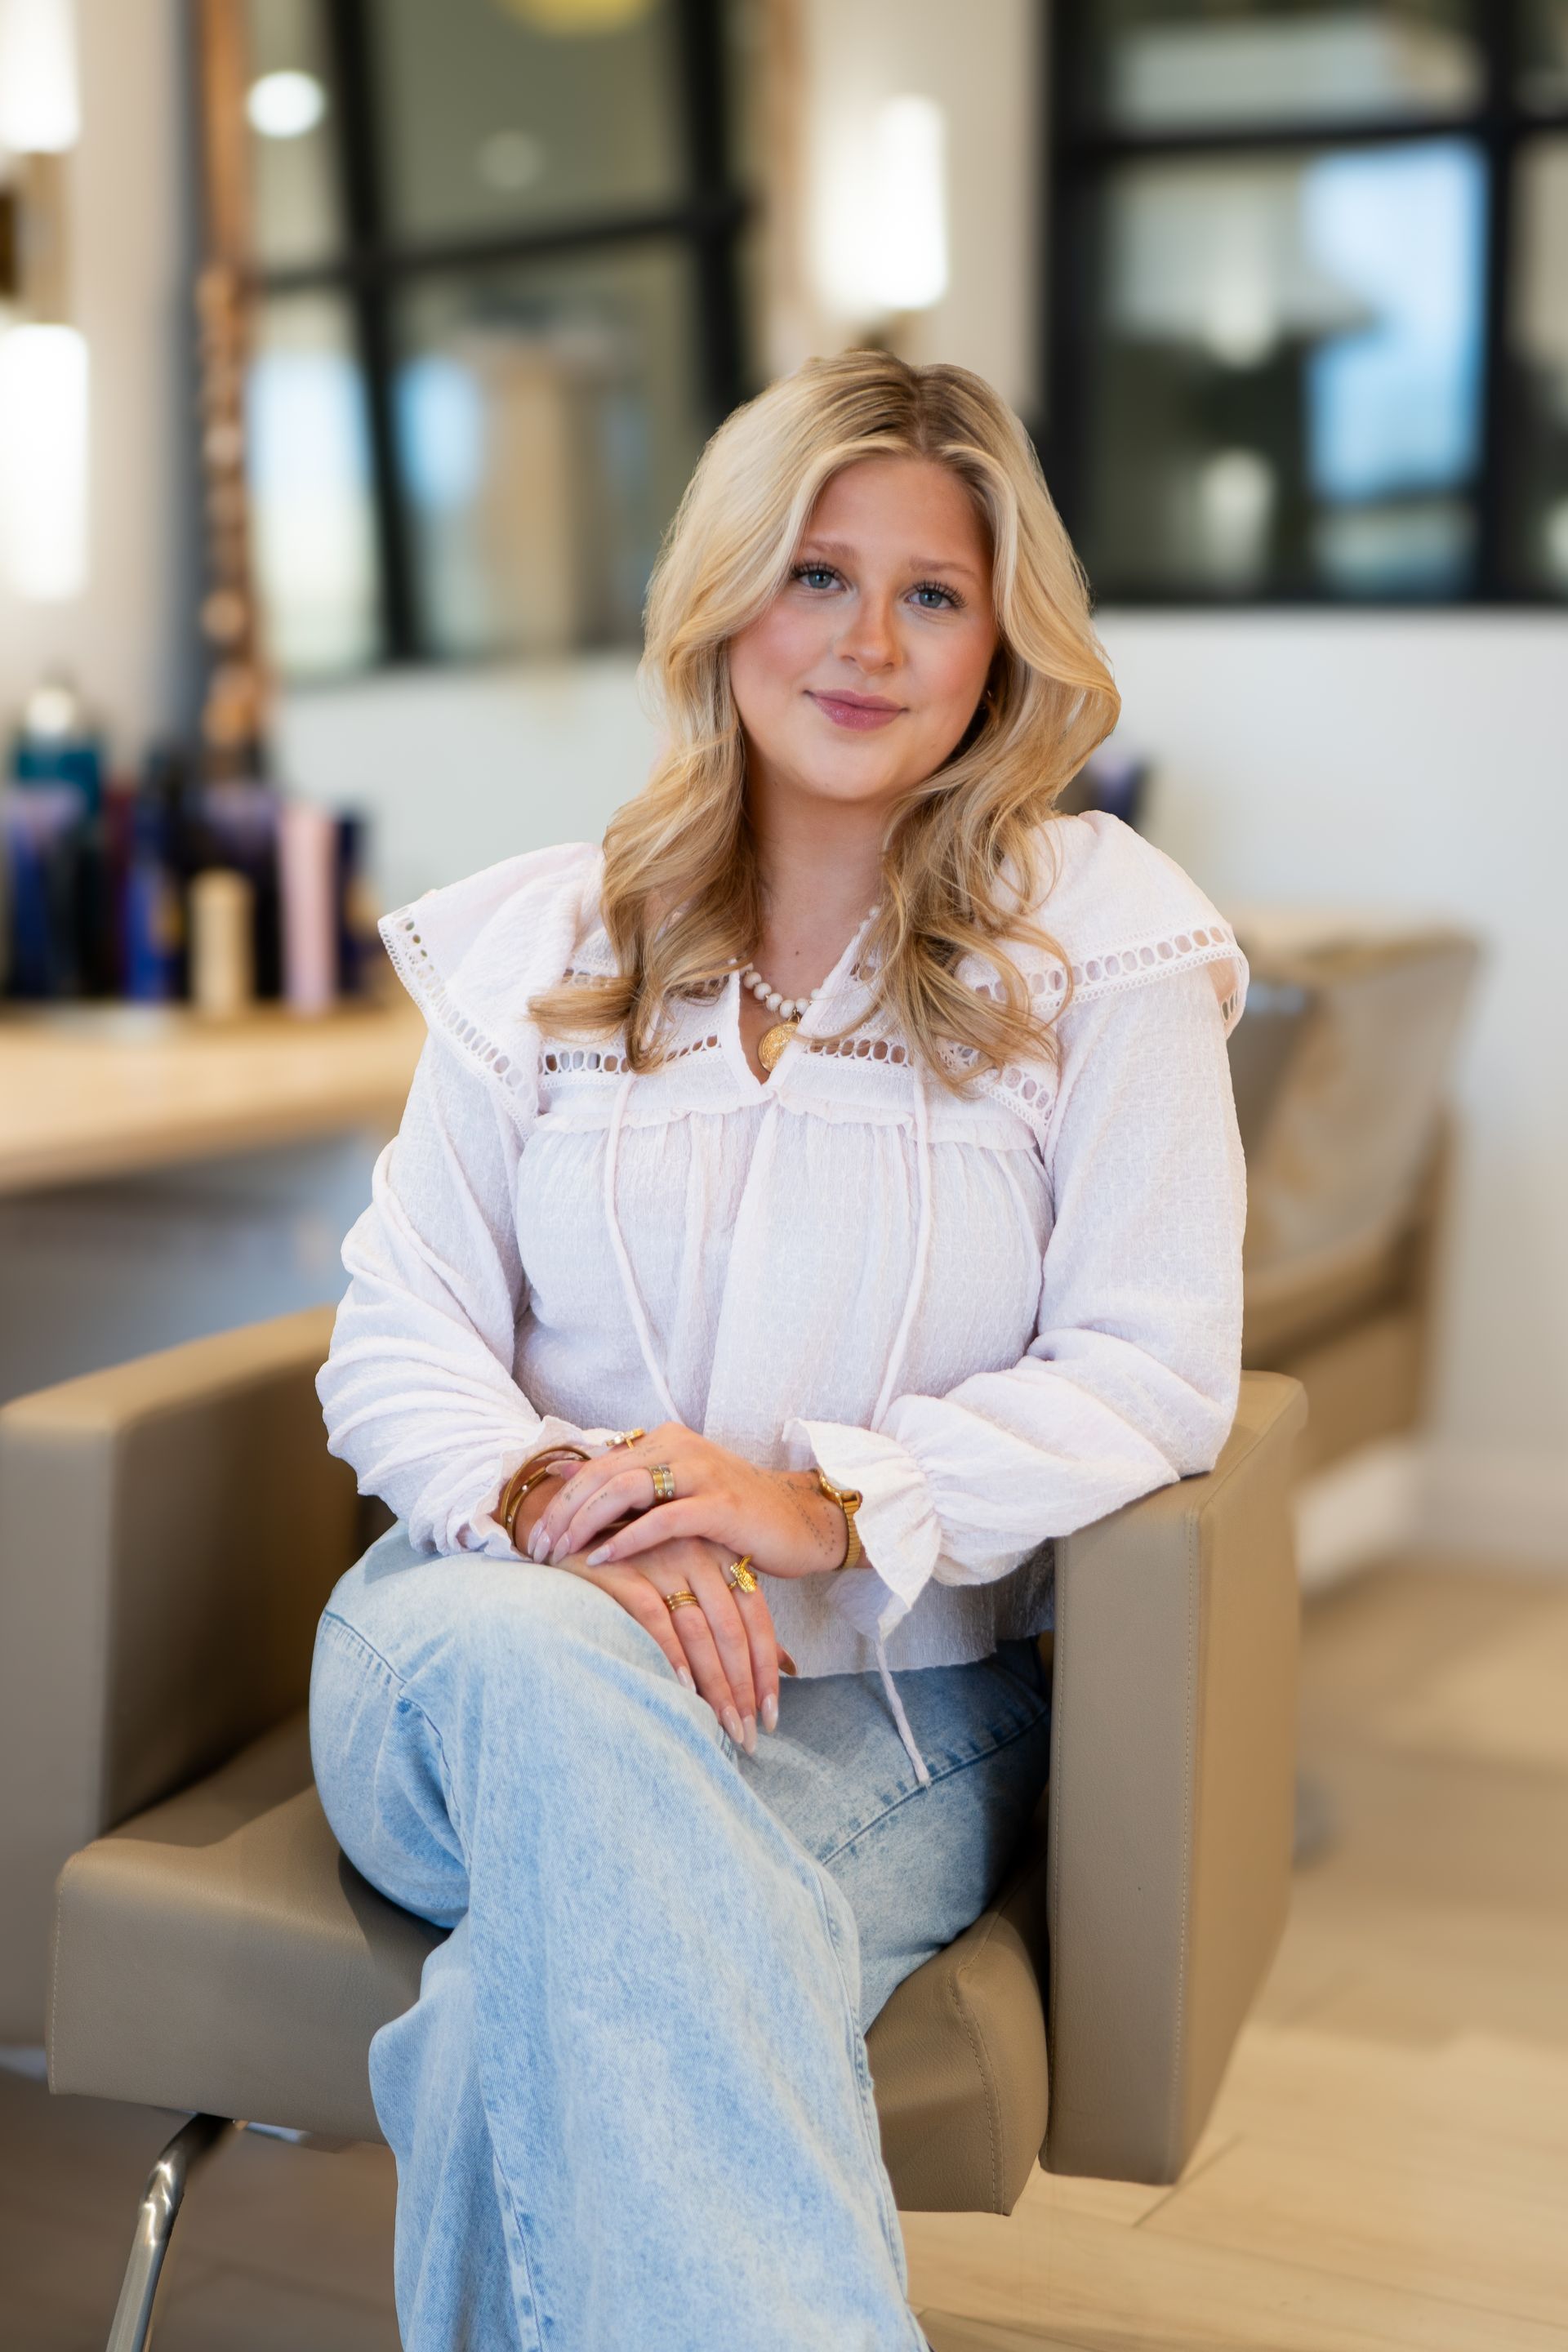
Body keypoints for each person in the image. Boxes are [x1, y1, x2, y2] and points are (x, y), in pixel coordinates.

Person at [310, 350, 1249, 2352]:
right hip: (472, 1652)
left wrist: (823, 1508)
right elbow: (399, 1320)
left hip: (884, 1714)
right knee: (554, 1681)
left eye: (934, 592)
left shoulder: (1097, 937)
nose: (869, 641)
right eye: (819, 574)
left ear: (1003, 641)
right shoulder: (551, 935)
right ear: (728, 596)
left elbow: (1160, 1364)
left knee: (519, 2012)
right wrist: (580, 1506)